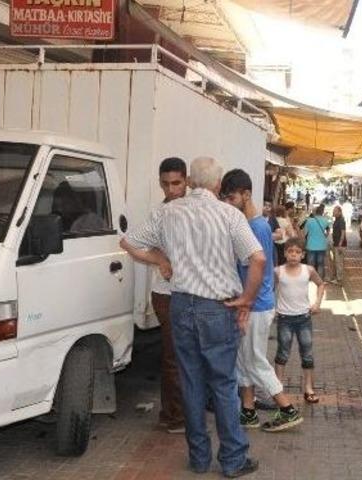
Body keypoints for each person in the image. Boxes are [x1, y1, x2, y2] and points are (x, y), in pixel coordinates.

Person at [120, 157, 263, 478]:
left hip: (181, 304)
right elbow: (258, 258)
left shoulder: (167, 213)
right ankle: (232, 460)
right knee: (224, 384)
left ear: (191, 182)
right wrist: (246, 300)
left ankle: (199, 459)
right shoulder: (229, 215)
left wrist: (160, 258)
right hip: (218, 307)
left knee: (191, 381)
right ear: (217, 183)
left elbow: (128, 242)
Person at [220, 169, 303, 433]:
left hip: (255, 305)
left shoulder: (254, 226)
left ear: (246, 195)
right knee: (244, 360)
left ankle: (287, 408)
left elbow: (257, 267)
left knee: (254, 360)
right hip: (256, 303)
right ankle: (248, 411)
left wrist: (245, 303)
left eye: (231, 199)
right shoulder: (258, 224)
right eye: (225, 199)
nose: (228, 205)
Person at [151, 157, 187, 434]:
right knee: (174, 356)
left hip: (187, 293)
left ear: (186, 181)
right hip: (166, 294)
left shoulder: (192, 210)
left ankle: (176, 412)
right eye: (165, 184)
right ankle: (175, 417)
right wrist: (161, 258)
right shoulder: (159, 213)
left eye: (176, 183)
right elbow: (133, 243)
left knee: (183, 355)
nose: (171, 189)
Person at [274, 237, 326, 404]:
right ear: (285, 253)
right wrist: (271, 307)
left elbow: (321, 284)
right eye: (290, 251)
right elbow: (268, 288)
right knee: (282, 353)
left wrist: (317, 303)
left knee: (307, 354)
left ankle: (309, 388)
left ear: (303, 254)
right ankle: (278, 387)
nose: (293, 255)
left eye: (297, 252)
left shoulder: (308, 270)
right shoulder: (278, 271)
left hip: (304, 318)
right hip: (284, 318)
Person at [301, 204, 330, 279]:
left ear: (315, 212)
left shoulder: (309, 221)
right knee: (320, 264)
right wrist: (325, 236)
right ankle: (320, 278)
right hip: (322, 245)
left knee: (311, 264)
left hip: (311, 245)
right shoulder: (325, 220)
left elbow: (304, 233)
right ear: (322, 213)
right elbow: (328, 230)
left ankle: (311, 278)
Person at [328, 205, 347, 284]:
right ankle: (337, 277)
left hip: (340, 245)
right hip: (336, 244)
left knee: (339, 262)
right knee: (336, 261)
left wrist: (340, 244)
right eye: (333, 210)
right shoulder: (336, 219)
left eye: (335, 211)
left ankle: (339, 279)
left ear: (339, 212)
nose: (333, 212)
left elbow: (343, 233)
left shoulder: (341, 220)